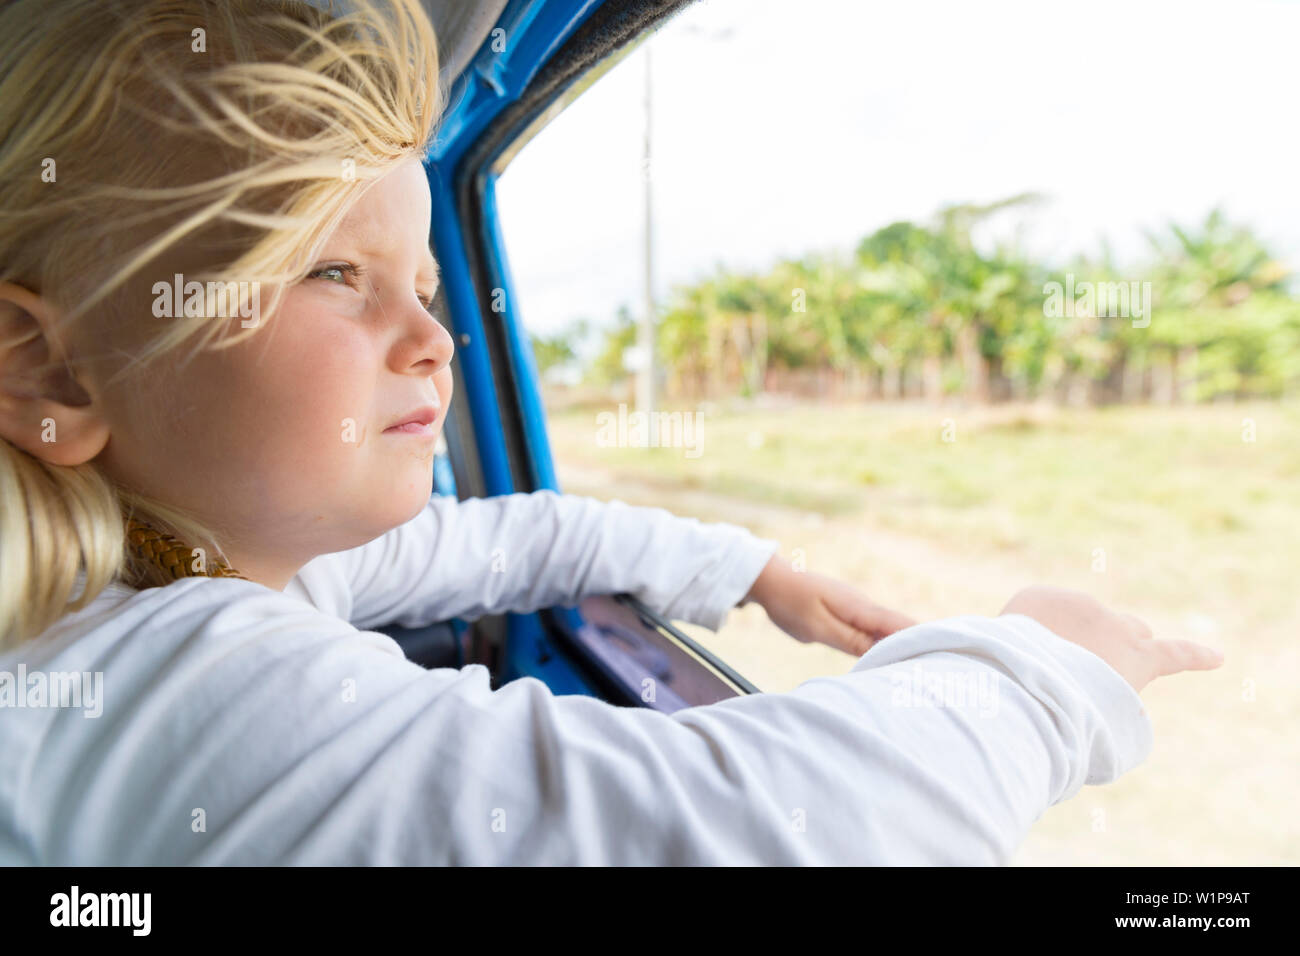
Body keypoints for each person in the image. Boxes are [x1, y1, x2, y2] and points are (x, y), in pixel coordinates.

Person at [0, 0, 1222, 865]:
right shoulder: (152, 679)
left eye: (425, 282)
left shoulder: (165, 552)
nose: (435, 339)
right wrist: (1044, 667)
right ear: (50, 366)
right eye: (329, 271)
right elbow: (773, 832)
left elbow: (503, 541)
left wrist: (752, 570)